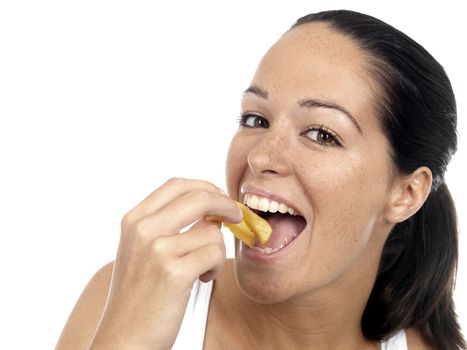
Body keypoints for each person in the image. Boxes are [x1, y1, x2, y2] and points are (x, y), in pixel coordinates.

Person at [56, 10, 465, 350]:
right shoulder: (125, 299)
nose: (260, 155)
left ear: (406, 193)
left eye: (322, 134)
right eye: (256, 119)